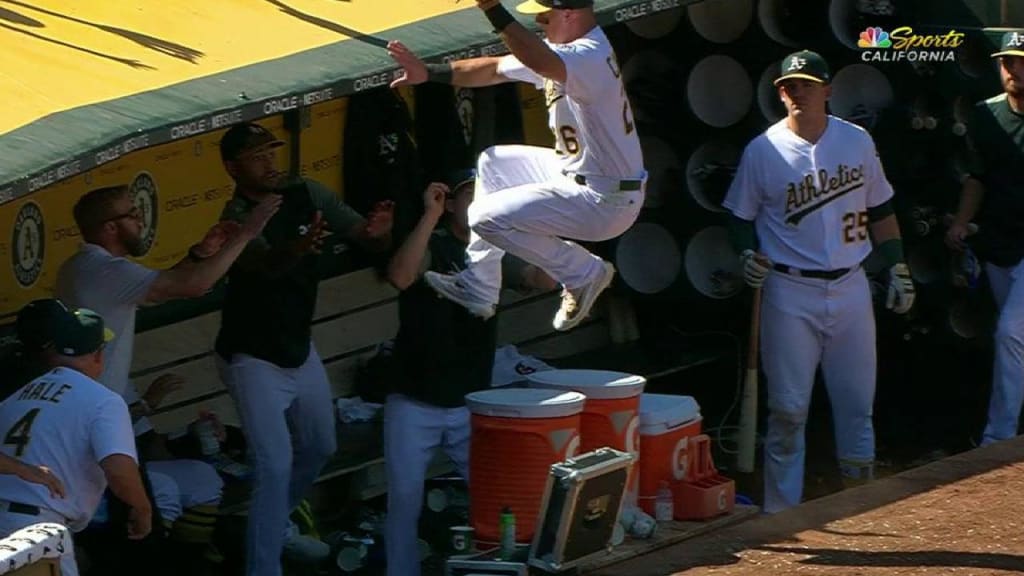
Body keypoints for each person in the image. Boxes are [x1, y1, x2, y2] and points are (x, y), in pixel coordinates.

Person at [722, 50, 915, 514]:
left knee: (856, 408)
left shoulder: (857, 141)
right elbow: (738, 216)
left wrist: (898, 266)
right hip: (790, 292)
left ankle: (863, 503)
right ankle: (780, 513)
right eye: (789, 86)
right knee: (788, 411)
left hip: (850, 286)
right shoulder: (763, 150)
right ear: (780, 93)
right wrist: (746, 252)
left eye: (807, 84)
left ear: (828, 89)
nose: (798, 93)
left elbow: (881, 209)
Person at [387, 0, 645, 332]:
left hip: (604, 202)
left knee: (481, 216)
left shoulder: (588, 56)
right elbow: (495, 69)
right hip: (583, 176)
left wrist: (492, 8)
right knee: (494, 163)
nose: (539, 19)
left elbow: (539, 59)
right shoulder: (565, 52)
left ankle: (582, 271)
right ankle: (480, 285)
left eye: (546, 14)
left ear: (568, 14)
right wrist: (429, 73)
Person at [212, 122, 393, 576]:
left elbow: (366, 238)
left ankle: (272, 524)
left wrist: (379, 231)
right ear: (232, 167)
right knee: (273, 464)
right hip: (250, 355)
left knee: (321, 444)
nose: (269, 162)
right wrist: (299, 246)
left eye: (271, 152)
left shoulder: (307, 192)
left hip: (296, 345)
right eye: (256, 157)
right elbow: (264, 265)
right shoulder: (234, 214)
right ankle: (264, 564)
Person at [382, 171, 555, 576]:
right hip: (414, 397)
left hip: (471, 402)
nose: (479, 201)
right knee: (404, 500)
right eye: (469, 195)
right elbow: (401, 276)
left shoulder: (493, 250)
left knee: (494, 494)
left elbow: (542, 279)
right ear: (451, 203)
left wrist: (541, 227)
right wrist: (430, 215)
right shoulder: (434, 244)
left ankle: (493, 569)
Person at [0, 299, 151, 576]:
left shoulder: (14, 398)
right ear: (98, 354)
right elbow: (119, 470)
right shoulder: (103, 400)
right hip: (35, 529)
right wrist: (142, 508)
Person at [946, 30, 1024, 446]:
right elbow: (976, 176)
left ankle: (998, 440)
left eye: (1021, 61)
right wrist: (961, 221)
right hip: (999, 244)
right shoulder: (985, 115)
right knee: (1016, 339)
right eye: (1007, 61)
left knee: (1012, 332)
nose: (1013, 69)